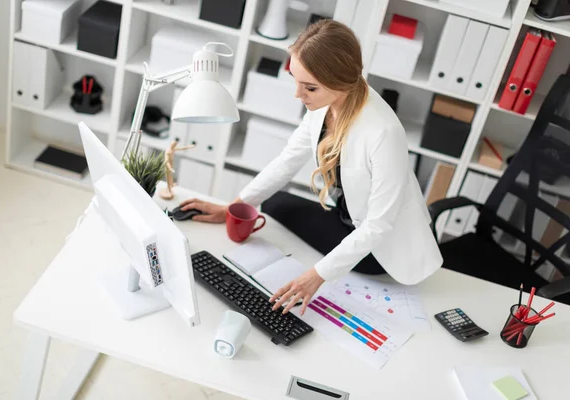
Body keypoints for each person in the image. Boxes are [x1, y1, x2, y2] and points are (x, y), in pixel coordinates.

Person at [179, 20, 443, 316]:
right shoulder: (326, 106)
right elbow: (287, 161)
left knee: (298, 247)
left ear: (339, 81)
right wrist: (233, 207)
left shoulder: (383, 132)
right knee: (273, 204)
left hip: (378, 248)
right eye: (296, 80)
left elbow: (378, 225)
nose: (298, 94)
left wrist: (314, 277)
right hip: (347, 216)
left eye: (309, 87)